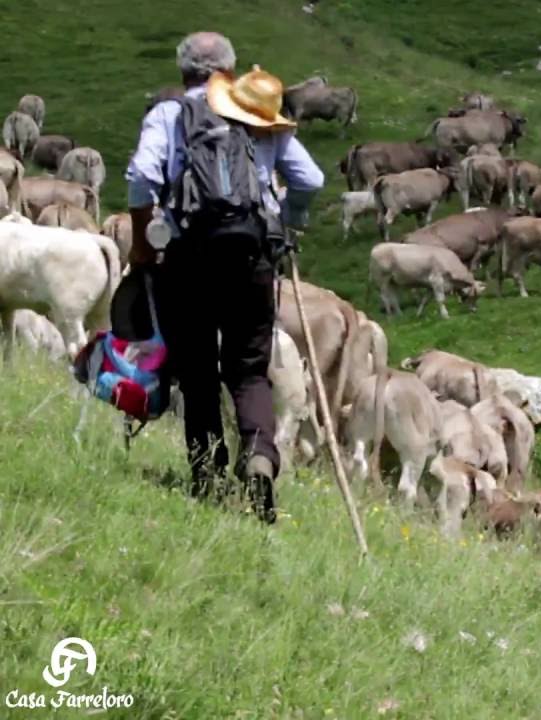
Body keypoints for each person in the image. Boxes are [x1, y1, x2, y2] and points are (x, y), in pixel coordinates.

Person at [125, 32, 324, 522]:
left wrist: (141, 243)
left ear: (183, 72)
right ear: (229, 72)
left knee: (196, 371)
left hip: (186, 259)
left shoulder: (169, 115)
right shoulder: (260, 116)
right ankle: (259, 453)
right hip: (251, 261)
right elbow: (311, 179)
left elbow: (140, 178)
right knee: (248, 368)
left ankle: (207, 474)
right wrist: (290, 220)